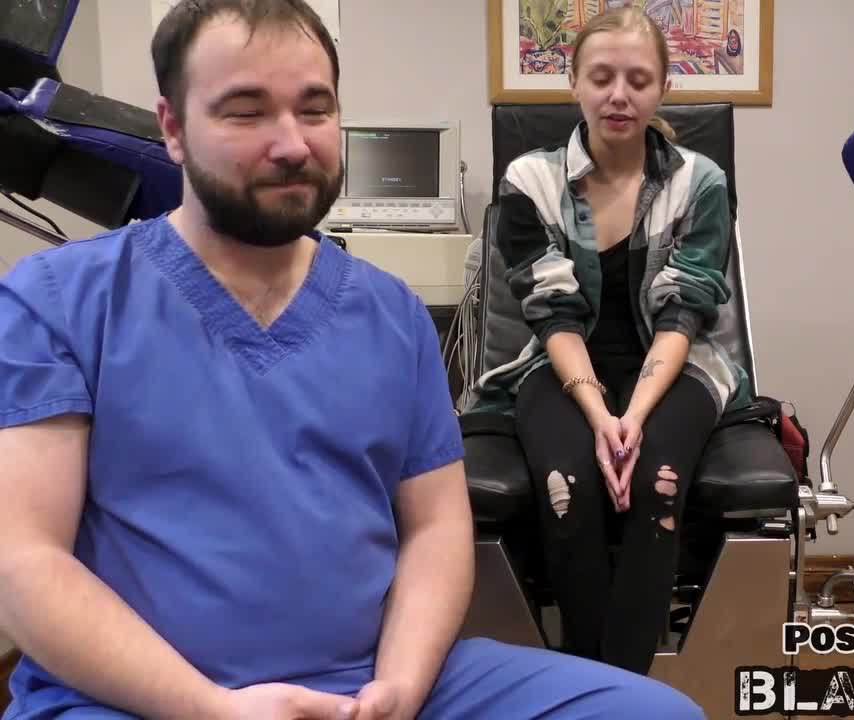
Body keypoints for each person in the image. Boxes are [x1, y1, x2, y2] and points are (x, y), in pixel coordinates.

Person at [0, 1, 706, 718]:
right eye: (246, 112)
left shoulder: (391, 314)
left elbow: (435, 529)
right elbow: (24, 558)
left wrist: (398, 686)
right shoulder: (59, 302)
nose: (291, 144)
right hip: (139, 698)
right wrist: (214, 710)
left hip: (371, 681)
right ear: (173, 129)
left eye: (315, 110)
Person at [468, 7, 751, 675]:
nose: (619, 95)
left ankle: (623, 691)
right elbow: (554, 314)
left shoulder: (700, 182)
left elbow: (683, 315)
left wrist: (635, 418)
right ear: (574, 83)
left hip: (677, 365)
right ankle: (591, 682)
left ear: (663, 88)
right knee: (568, 486)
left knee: (657, 484)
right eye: (601, 78)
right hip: (559, 365)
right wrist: (601, 417)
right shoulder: (530, 181)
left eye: (638, 79)